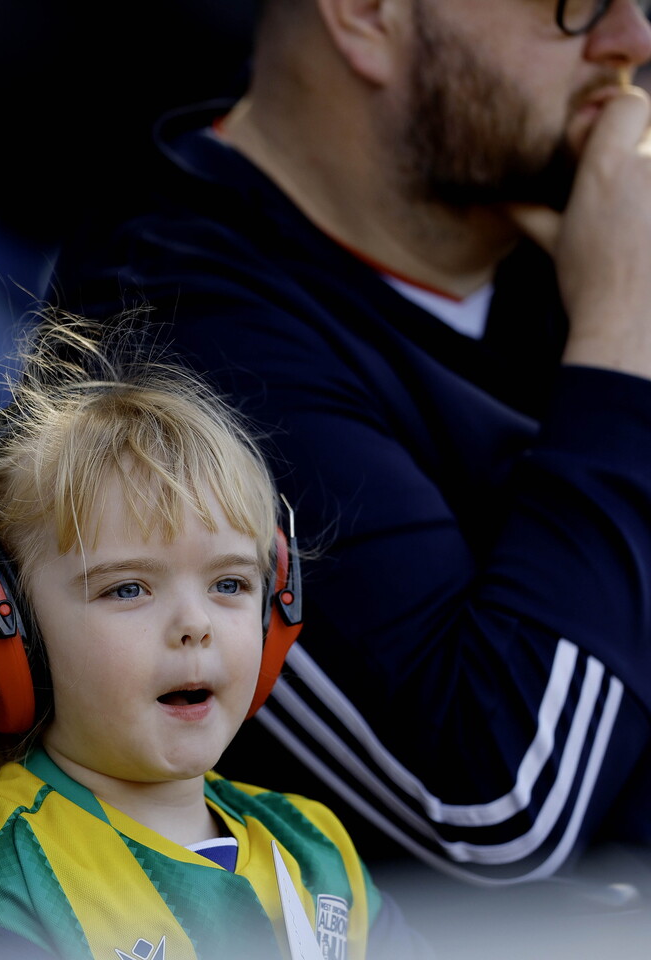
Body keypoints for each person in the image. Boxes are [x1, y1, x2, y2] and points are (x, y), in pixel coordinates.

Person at [48, 0, 651, 893]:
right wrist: (626, 334)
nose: (631, 40)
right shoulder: (178, 341)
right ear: (366, 15)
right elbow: (496, 810)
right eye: (572, 7)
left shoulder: (585, 226)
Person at [0, 319, 423, 960]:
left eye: (231, 583)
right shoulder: (1, 891)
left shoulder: (318, 853)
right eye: (128, 589)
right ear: (5, 629)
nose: (195, 623)